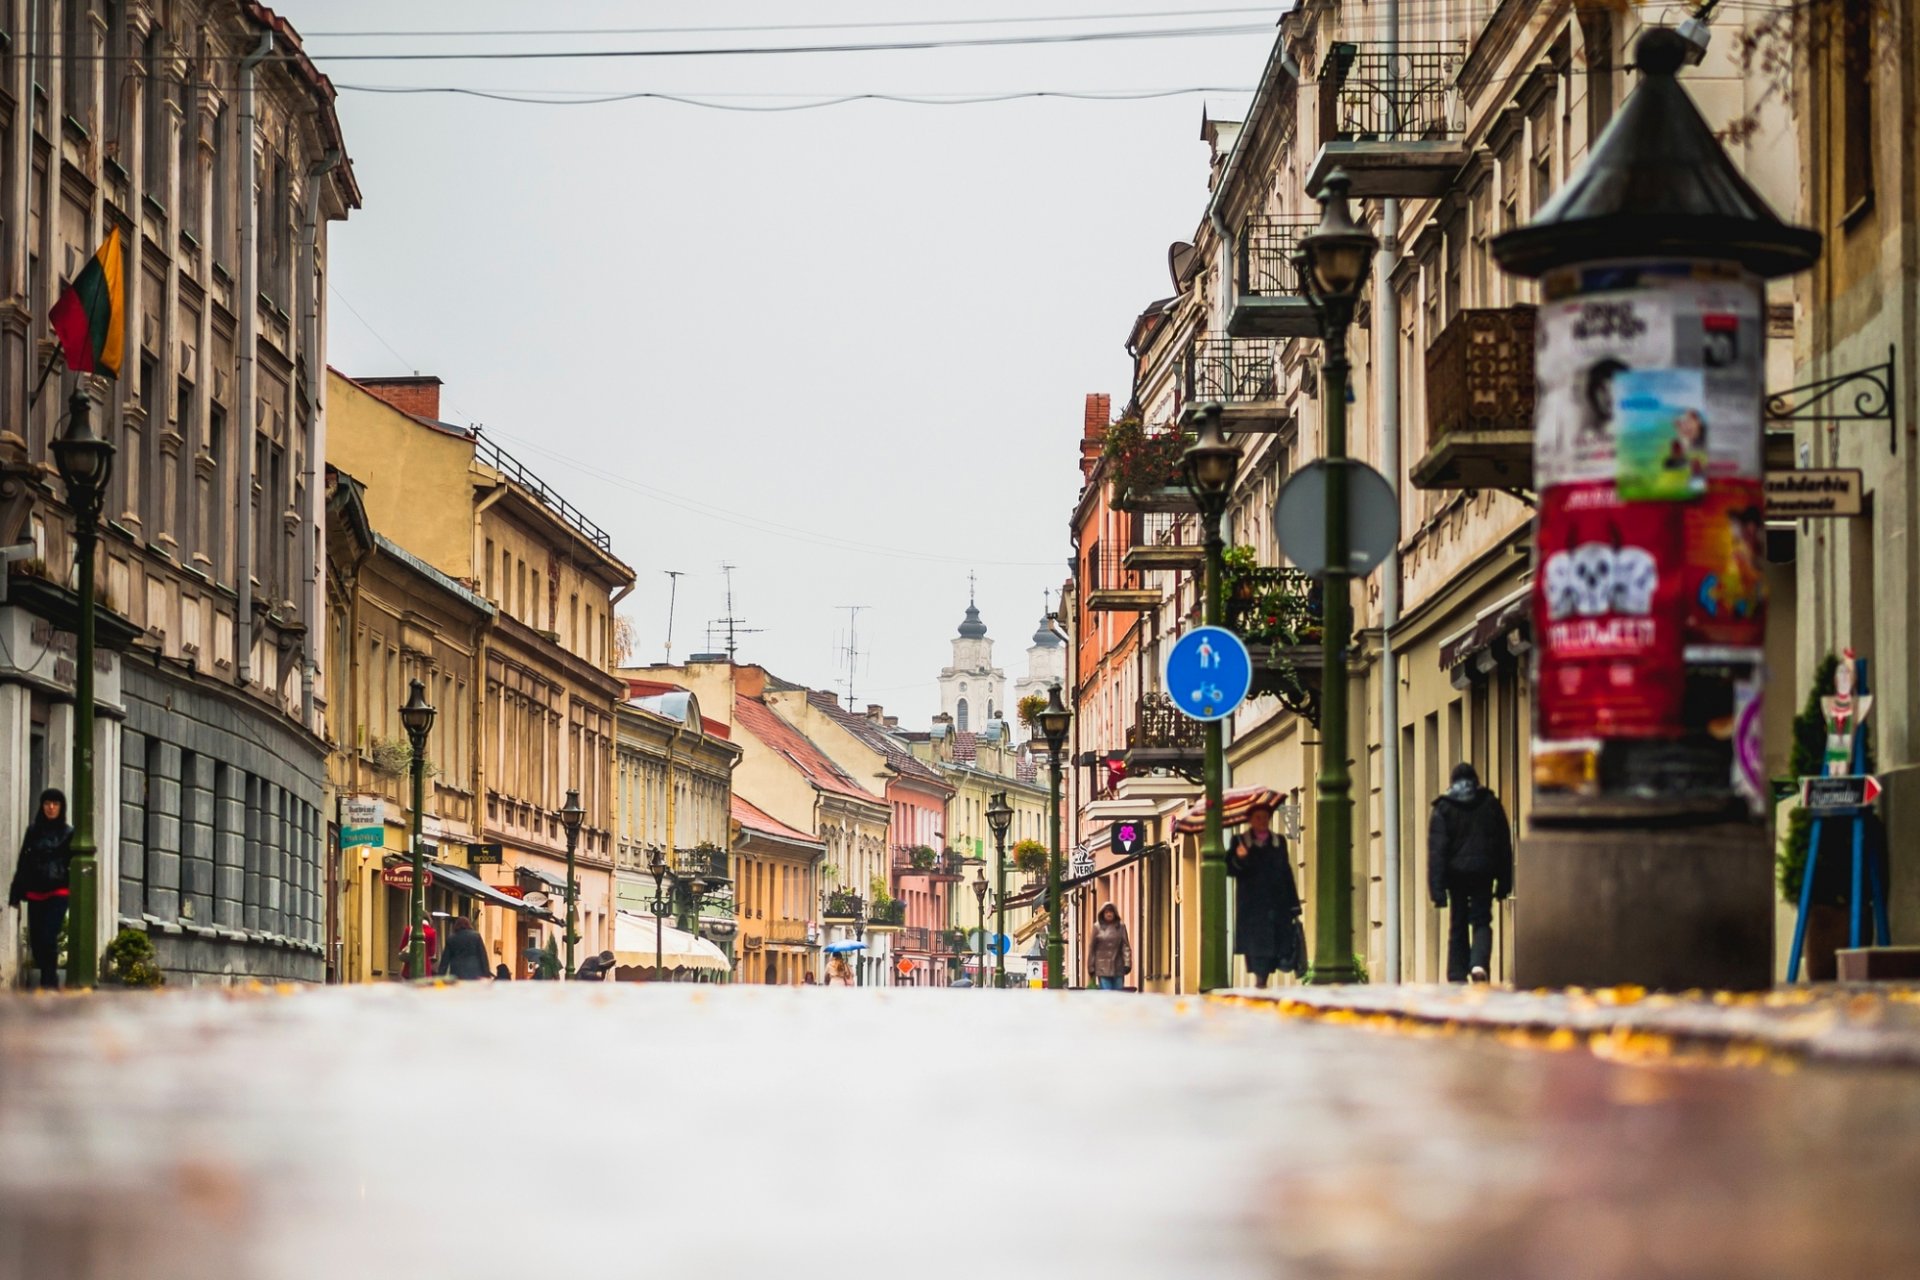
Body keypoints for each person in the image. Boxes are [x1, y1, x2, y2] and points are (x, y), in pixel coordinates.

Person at [1429, 763, 1515, 984]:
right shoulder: (1490, 804)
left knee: (1457, 922)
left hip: (1455, 876)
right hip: (1483, 872)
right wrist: (1505, 883)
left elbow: (1437, 851)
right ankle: (1478, 964)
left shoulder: (1444, 808)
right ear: (1475, 782)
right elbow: (1503, 846)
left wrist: (1437, 890)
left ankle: (1457, 974)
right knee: (1481, 920)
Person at [1226, 800, 1303, 987]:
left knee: (1275, 947)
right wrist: (1240, 858)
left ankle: (1262, 980)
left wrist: (1294, 905)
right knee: (1257, 948)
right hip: (1252, 908)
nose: (1262, 821)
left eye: (1265, 817)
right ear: (1250, 820)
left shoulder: (1278, 842)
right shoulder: (1240, 841)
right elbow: (1229, 870)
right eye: (1258, 817)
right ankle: (1261, 981)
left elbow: (1286, 872)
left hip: (1276, 905)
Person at [8, 788, 74, 990]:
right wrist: (16, 892)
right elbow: (23, 861)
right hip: (35, 891)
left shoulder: (69, 833)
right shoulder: (33, 831)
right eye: (47, 803)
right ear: (42, 806)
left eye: (55, 804)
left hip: (58, 891)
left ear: (61, 807)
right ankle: (48, 976)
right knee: (36, 941)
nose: (51, 808)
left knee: (48, 936)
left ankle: (49, 982)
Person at [1087, 902, 1132, 991]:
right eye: (1106, 912)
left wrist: (1127, 963)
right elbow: (1092, 948)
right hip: (1102, 967)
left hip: (1118, 966)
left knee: (1118, 994)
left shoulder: (1121, 927)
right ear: (1102, 914)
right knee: (1106, 994)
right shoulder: (1097, 927)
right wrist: (1091, 966)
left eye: (1111, 912)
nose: (1109, 914)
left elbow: (1125, 946)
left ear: (1115, 914)